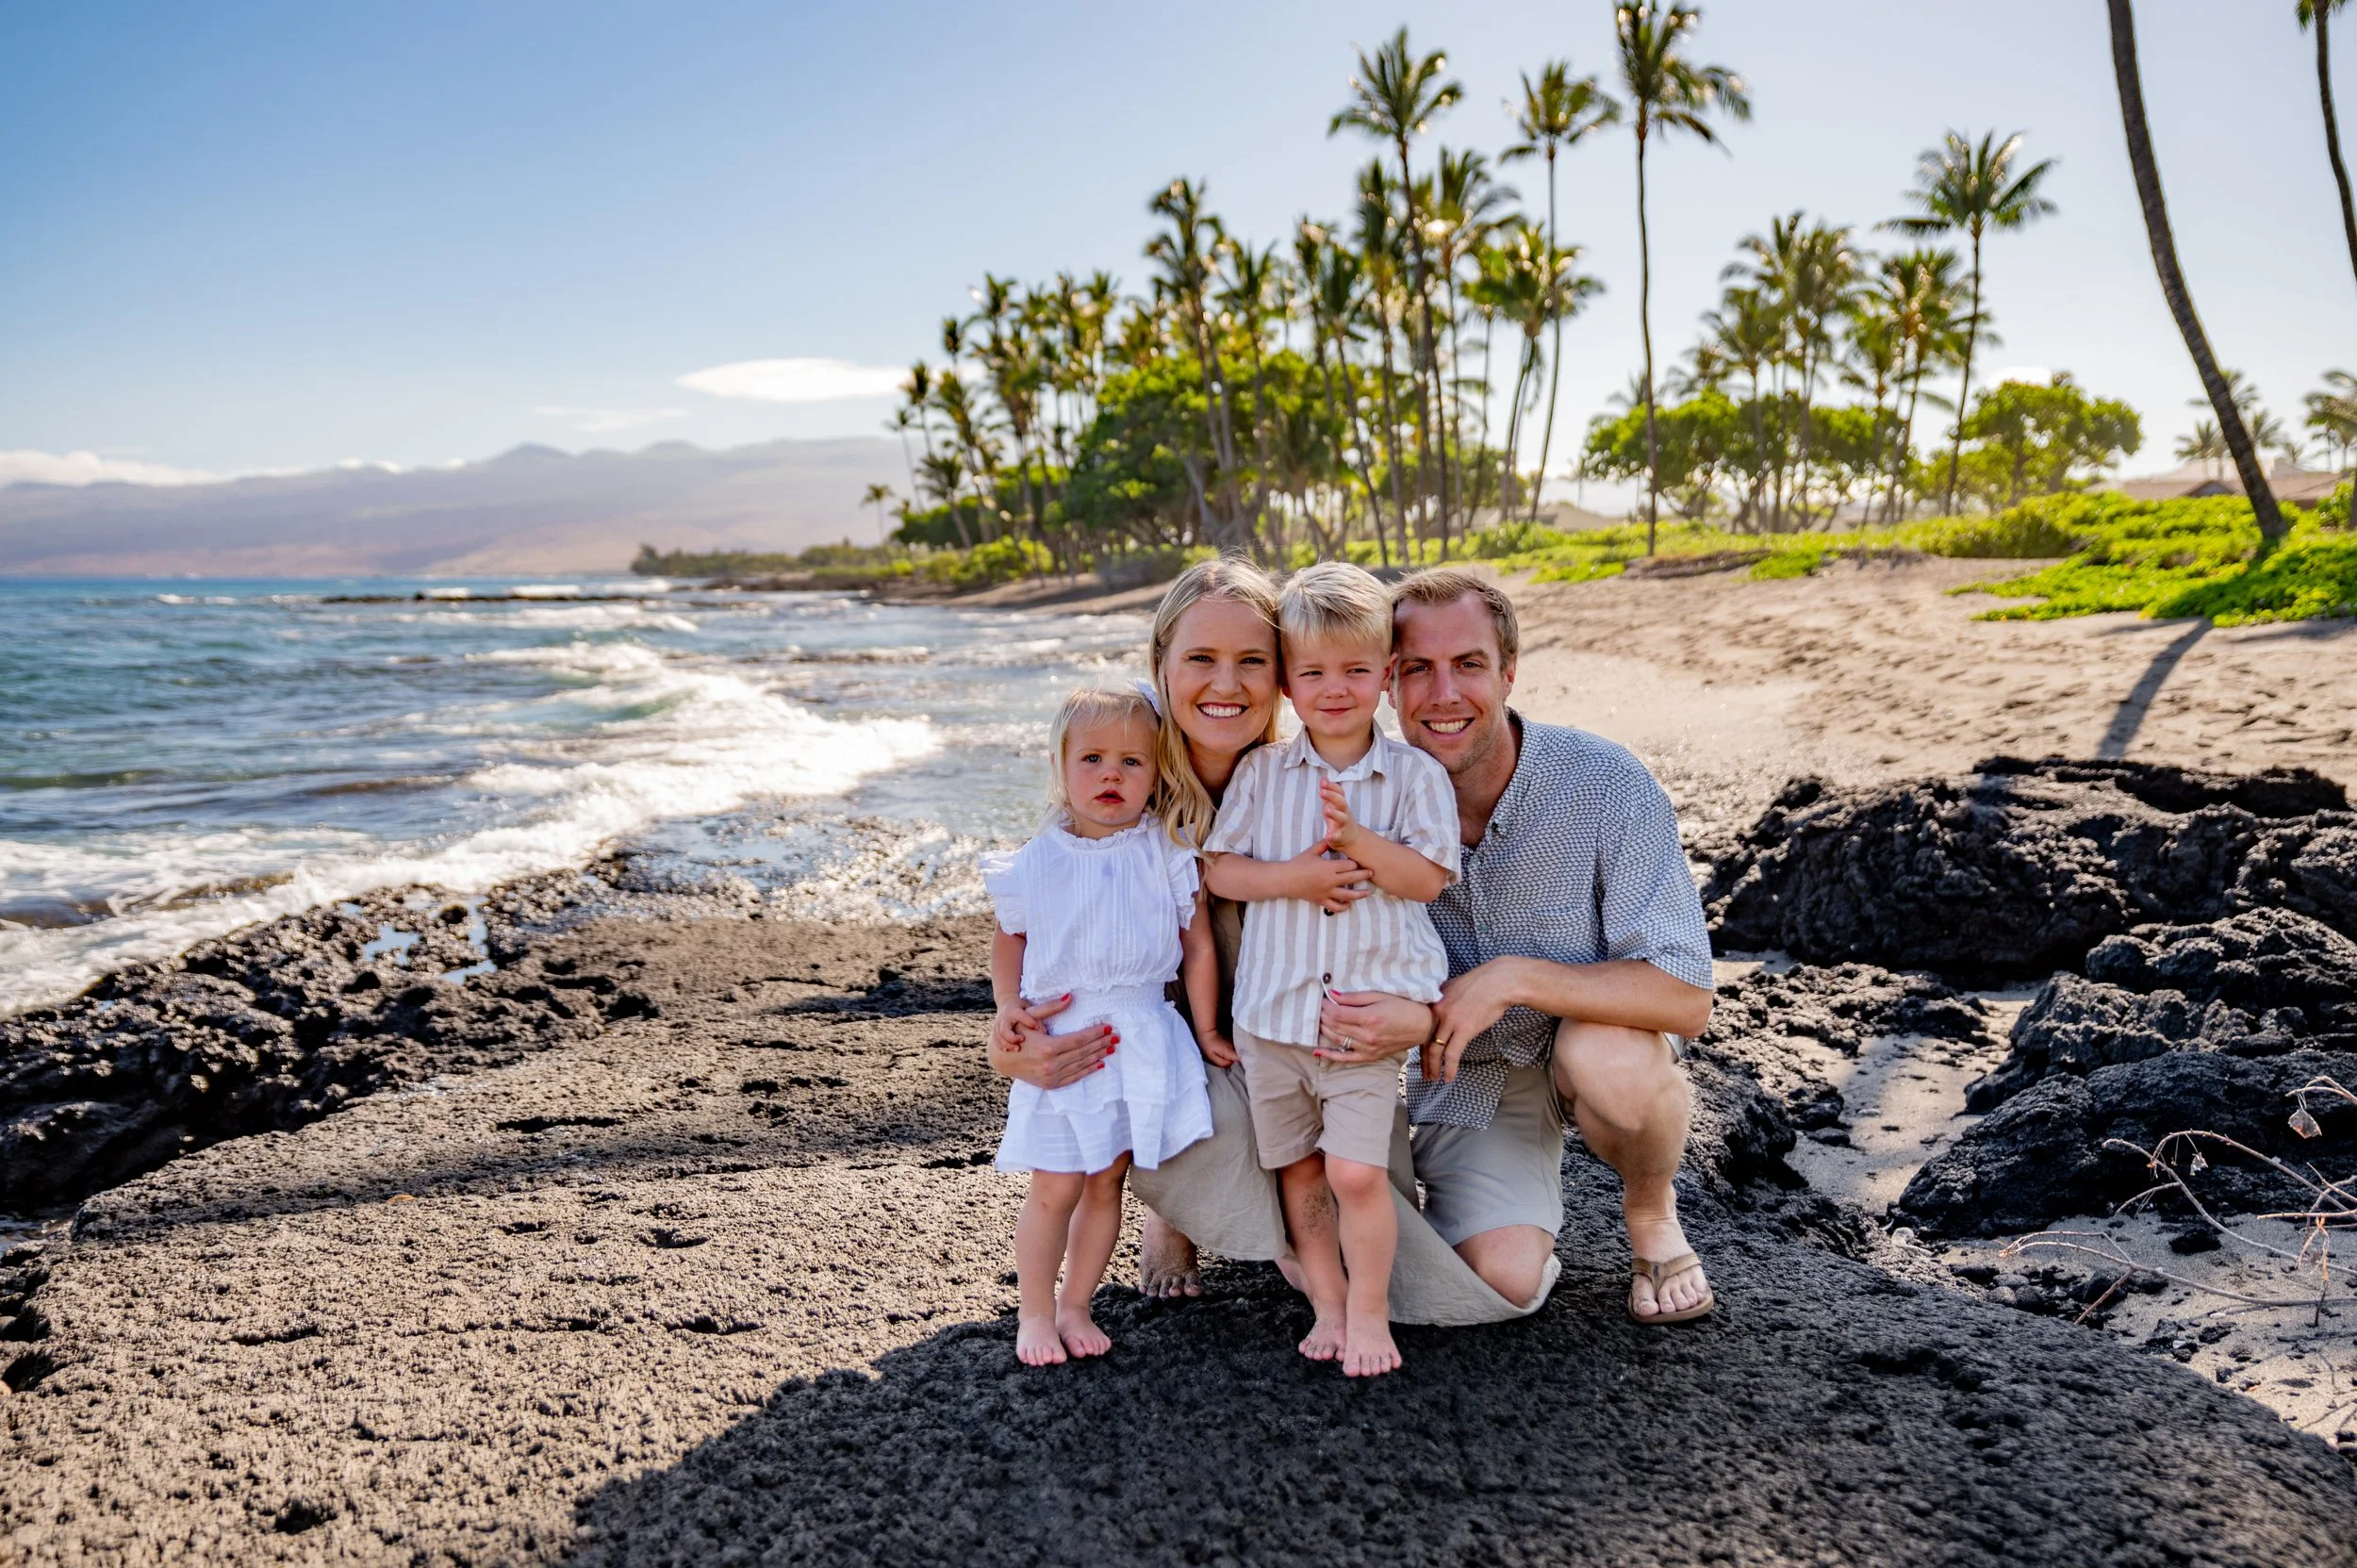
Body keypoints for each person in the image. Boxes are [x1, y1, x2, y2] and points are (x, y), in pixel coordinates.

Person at [1315, 569, 1720, 1324]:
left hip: (1596, 1044)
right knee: (1499, 1281)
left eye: (1468, 664)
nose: (1443, 694)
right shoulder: (1355, 805)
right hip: (1473, 1071)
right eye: (1416, 670)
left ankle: (1651, 1212)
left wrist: (1513, 977)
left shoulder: (1605, 784)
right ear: (1386, 687)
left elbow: (1686, 997)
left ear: (1507, 672)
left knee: (1609, 1060)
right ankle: (1517, 1203)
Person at [1201, 563, 1458, 1376]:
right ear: (1286, 680)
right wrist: (1298, 876)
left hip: (1360, 1022)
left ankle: (1374, 1310)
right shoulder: (1262, 773)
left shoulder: (1415, 774)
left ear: (1385, 675)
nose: (1334, 688)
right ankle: (1329, 1302)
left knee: (1354, 1169)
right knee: (1299, 1170)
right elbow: (1221, 872)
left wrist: (1357, 845)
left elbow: (1427, 878)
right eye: (1312, 671)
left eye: (1354, 670)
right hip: (1273, 1016)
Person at [981, 686, 1223, 1365]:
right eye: (1091, 758)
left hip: (1140, 1033)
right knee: (1056, 1184)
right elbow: (1010, 937)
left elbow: (1198, 947)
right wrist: (1008, 1004)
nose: (1111, 775)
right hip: (1065, 1036)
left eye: (1131, 762)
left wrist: (1204, 1031)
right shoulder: (1036, 859)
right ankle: (1034, 1311)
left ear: (1158, 771)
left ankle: (1076, 1303)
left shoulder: (1168, 852)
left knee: (1105, 1183)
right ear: (1060, 767)